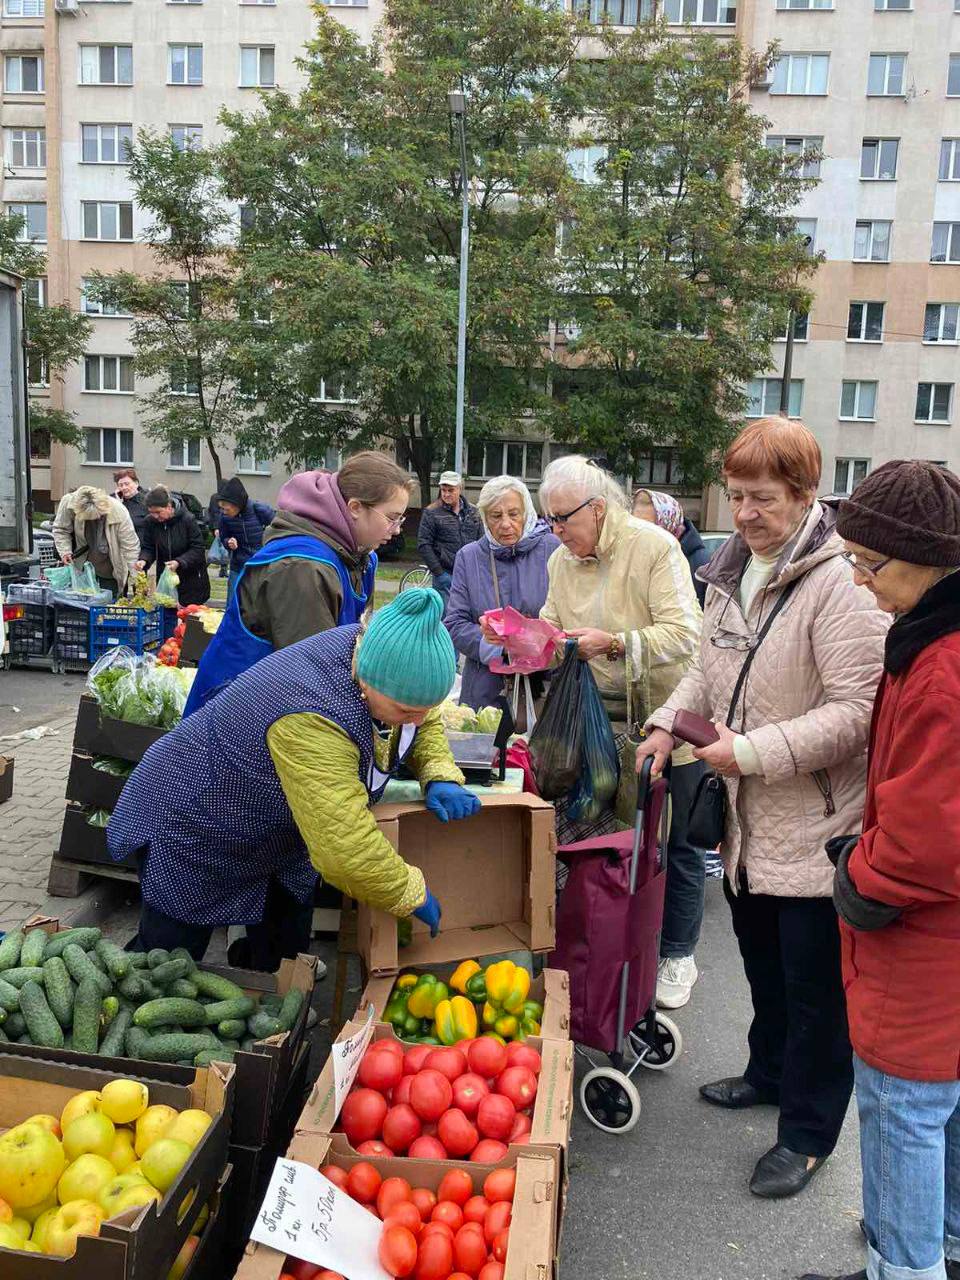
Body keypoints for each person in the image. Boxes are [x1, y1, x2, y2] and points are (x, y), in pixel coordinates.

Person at [639, 417, 888, 1200]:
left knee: (816, 994)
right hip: (747, 824)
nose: (745, 513)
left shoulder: (840, 585)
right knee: (764, 968)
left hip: (817, 824)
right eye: (737, 495)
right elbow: (706, 671)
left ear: (806, 495)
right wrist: (665, 724)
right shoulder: (730, 568)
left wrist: (749, 751)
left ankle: (808, 1135)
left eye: (764, 498)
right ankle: (770, 1074)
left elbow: (858, 714)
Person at [107, 589, 479, 967]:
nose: (418, 719)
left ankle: (265, 983)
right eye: (406, 711)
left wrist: (438, 772)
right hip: (196, 818)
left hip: (271, 828)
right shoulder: (313, 716)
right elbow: (345, 847)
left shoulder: (377, 657)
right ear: (369, 681)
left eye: (424, 708)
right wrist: (410, 892)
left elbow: (424, 714)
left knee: (283, 948)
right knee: (168, 962)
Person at [800, 462, 960, 1280]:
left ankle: (902, 1267)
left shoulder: (942, 667)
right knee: (945, 1111)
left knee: (904, 1113)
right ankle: (946, 1250)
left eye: (870, 564)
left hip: (925, 951)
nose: (860, 582)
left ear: (927, 560)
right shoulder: (929, 637)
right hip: (939, 944)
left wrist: (860, 876)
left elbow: (929, 838)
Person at [538, 457, 706, 1004]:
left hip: (665, 721)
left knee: (674, 845)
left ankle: (677, 954)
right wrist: (528, 639)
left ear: (597, 508)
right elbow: (552, 625)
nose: (555, 532)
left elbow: (686, 635)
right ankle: (605, 948)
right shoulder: (560, 560)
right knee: (601, 840)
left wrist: (614, 643)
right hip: (592, 727)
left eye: (562, 519)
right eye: (549, 520)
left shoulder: (654, 547)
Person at [184, 452, 412, 716]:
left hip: (284, 712)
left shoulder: (360, 557)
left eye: (401, 520)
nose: (397, 529)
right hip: (242, 717)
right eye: (392, 518)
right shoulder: (302, 568)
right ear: (355, 508)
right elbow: (313, 677)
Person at [444, 475, 560, 711]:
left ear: (526, 513)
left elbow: (570, 615)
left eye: (514, 514)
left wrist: (535, 642)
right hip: (485, 690)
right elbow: (455, 624)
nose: (506, 524)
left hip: (547, 687)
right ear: (485, 519)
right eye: (496, 516)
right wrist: (500, 647)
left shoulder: (553, 549)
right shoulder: (469, 557)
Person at [52, 484, 140, 597]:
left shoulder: (119, 511)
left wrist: (135, 579)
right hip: (81, 565)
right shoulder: (68, 504)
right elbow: (61, 529)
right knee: (80, 601)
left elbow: (130, 547)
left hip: (109, 568)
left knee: (108, 599)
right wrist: (65, 551)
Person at [633, 488, 712, 608]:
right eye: (635, 525)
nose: (639, 532)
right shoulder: (634, 556)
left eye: (649, 526)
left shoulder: (701, 565)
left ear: (669, 523)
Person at [135, 486, 210, 607]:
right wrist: (144, 559)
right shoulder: (150, 522)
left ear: (169, 506)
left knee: (188, 615)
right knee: (167, 611)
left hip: (191, 580)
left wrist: (179, 562)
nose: (155, 516)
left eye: (158, 512)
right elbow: (149, 547)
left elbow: (198, 549)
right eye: (151, 512)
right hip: (166, 580)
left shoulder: (187, 520)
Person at [417, 471, 482, 607]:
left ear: (460, 488)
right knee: (446, 616)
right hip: (445, 574)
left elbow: (481, 542)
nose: (446, 494)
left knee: (469, 614)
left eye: (451, 490)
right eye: (443, 490)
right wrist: (439, 573)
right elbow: (424, 544)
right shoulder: (432, 512)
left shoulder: (474, 512)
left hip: (470, 575)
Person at [214, 476, 275, 601]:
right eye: (222, 508)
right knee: (233, 601)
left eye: (226, 509)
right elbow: (224, 537)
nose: (224, 512)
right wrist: (228, 542)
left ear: (237, 504)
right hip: (238, 565)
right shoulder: (224, 518)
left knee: (259, 602)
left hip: (260, 564)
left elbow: (278, 529)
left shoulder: (259, 510)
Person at [113, 469, 150, 540]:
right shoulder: (115, 502)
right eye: (120, 485)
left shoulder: (147, 501)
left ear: (136, 483)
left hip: (143, 544)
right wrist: (118, 503)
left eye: (127, 484)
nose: (124, 488)